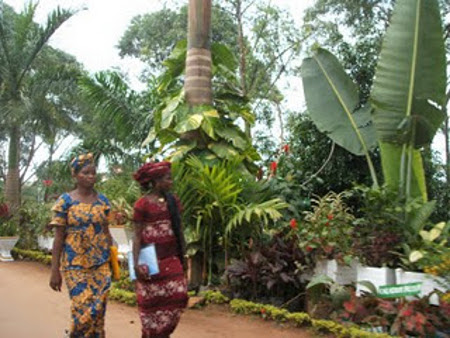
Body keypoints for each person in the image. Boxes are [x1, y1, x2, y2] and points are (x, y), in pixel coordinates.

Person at [49, 153, 113, 338]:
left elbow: (107, 233)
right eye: (86, 172)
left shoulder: (103, 201)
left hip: (101, 265)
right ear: (75, 175)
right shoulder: (65, 201)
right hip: (74, 265)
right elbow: (58, 238)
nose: (91, 176)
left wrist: (114, 259)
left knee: (98, 312)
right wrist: (55, 270)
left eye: (93, 173)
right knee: (83, 310)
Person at [132, 161, 188, 338]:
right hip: (149, 261)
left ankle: (162, 334)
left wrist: (184, 256)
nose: (171, 181)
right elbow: (136, 236)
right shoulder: (142, 204)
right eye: (167, 178)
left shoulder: (173, 201)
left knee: (179, 297)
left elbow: (179, 229)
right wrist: (135, 265)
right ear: (155, 181)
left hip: (171, 258)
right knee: (151, 307)